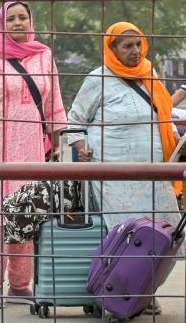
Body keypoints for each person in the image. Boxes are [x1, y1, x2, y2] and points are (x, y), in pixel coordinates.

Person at [0, 1, 67, 308]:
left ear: (31, 21)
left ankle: (20, 285)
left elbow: (54, 102)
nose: (17, 22)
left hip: (31, 148)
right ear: (1, 24)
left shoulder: (44, 56)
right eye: (11, 18)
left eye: (23, 17)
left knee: (25, 213)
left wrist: (56, 144)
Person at [67, 22, 182, 296]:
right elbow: (75, 120)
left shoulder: (150, 74)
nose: (135, 51)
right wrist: (81, 147)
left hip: (154, 175)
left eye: (138, 44)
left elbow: (164, 115)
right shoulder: (98, 79)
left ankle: (145, 291)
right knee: (126, 238)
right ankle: (119, 296)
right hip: (115, 179)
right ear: (112, 49)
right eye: (127, 46)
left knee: (169, 235)